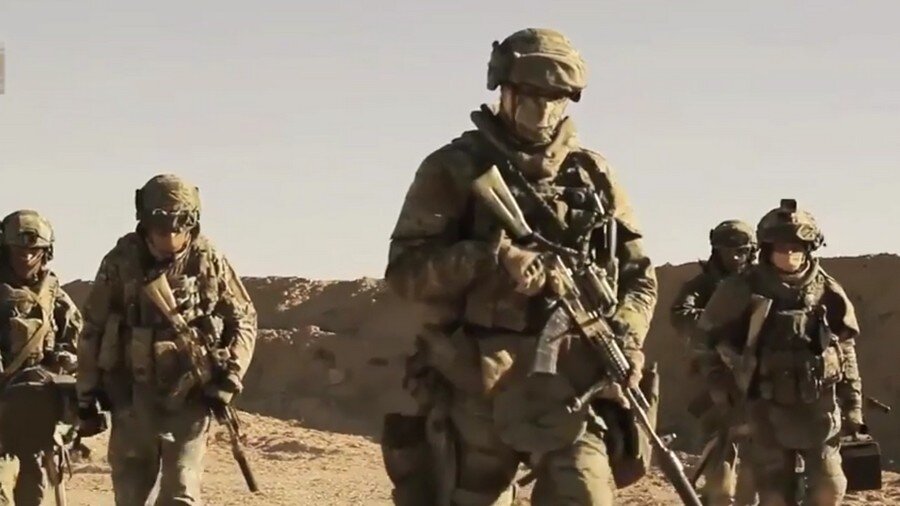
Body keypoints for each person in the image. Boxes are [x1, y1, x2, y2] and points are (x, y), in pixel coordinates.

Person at [382, 28, 657, 505]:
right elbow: (406, 275)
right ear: (504, 90)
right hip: (476, 379)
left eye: (555, 98)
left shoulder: (593, 176)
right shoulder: (455, 169)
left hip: (571, 387)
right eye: (530, 95)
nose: (542, 110)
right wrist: (492, 258)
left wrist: (627, 339)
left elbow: (639, 278)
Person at [76, 174, 257, 506]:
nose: (170, 235)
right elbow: (93, 328)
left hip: (190, 396)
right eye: (160, 226)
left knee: (181, 493)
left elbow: (244, 319)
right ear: (144, 220)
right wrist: (87, 394)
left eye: (179, 225)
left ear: (192, 221)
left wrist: (231, 376)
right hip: (132, 397)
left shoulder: (208, 259)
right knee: (130, 494)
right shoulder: (121, 261)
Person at [699, 199, 863, 505]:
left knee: (829, 489)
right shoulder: (742, 288)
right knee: (774, 494)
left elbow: (845, 349)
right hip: (765, 412)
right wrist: (724, 394)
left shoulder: (826, 290)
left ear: (809, 249)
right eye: (781, 248)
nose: (789, 255)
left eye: (796, 248)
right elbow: (708, 342)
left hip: (819, 412)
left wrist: (853, 406)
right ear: (766, 250)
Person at [670, 219, 759, 505]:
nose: (736, 257)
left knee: (758, 456)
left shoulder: (761, 282)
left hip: (755, 377)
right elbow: (681, 316)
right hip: (714, 379)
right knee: (719, 454)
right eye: (728, 251)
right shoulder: (702, 285)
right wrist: (719, 324)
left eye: (742, 251)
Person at [0, 210, 82, 506]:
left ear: (46, 252)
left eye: (34, 251)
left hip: (35, 400)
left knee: (33, 482)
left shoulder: (52, 292)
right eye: (19, 250)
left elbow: (75, 337)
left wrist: (65, 358)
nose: (26, 257)